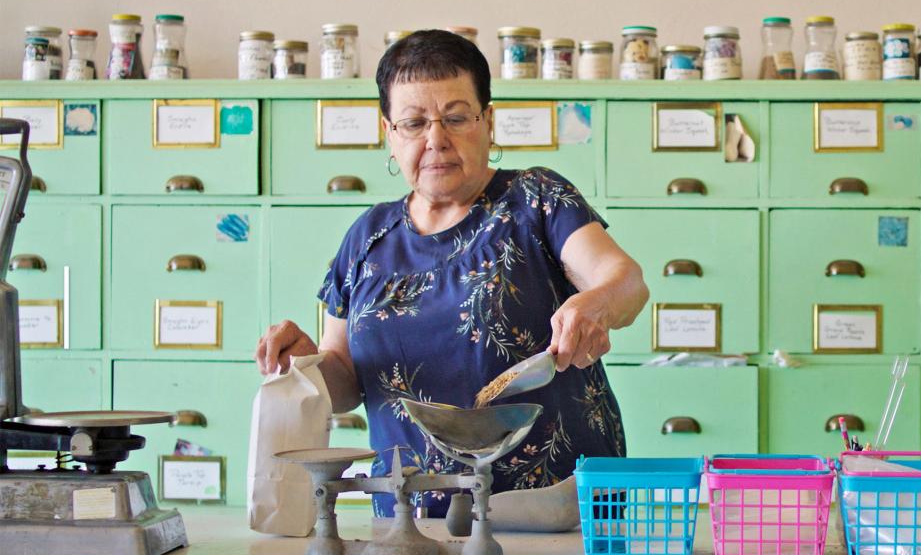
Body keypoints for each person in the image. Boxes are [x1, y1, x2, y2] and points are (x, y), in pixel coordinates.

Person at [255, 29, 649, 517]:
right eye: (414, 122)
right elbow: (344, 384)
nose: (436, 139)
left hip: (552, 509)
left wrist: (599, 302)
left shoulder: (536, 200)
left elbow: (625, 280)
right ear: (390, 134)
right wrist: (303, 365)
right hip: (412, 521)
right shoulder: (367, 237)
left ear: (488, 121)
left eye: (456, 117)